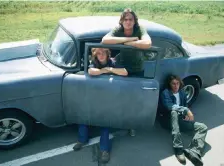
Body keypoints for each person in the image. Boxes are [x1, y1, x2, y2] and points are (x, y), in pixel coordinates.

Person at [102, 8, 152, 136]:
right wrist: (128, 40)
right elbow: (105, 40)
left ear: (135, 21)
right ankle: (118, 120)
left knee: (134, 99)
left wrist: (130, 43)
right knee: (120, 96)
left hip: (137, 69)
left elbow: (147, 43)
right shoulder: (118, 30)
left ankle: (132, 125)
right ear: (122, 21)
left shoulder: (140, 29)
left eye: (131, 19)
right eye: (126, 19)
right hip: (121, 68)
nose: (128, 22)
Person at [73, 48, 127, 164]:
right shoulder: (94, 62)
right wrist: (105, 70)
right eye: (98, 53)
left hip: (109, 97)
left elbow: (125, 72)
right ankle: (82, 140)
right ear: (95, 55)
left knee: (105, 121)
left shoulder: (113, 62)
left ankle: (104, 150)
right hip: (93, 95)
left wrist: (110, 69)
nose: (101, 55)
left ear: (108, 54)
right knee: (83, 117)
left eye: (103, 53)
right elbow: (91, 71)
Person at [160, 74, 208, 166]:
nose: (176, 86)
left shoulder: (182, 92)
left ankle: (194, 151)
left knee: (203, 127)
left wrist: (185, 113)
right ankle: (178, 148)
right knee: (174, 112)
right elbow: (169, 106)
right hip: (167, 120)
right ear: (169, 84)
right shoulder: (165, 93)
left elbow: (185, 105)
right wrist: (186, 110)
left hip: (180, 120)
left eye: (177, 83)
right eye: (173, 84)